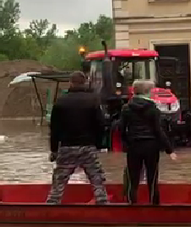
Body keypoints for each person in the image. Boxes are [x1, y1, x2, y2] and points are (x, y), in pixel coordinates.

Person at [47, 71, 109, 204]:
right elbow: (101, 124)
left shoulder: (60, 101)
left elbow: (54, 129)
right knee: (96, 177)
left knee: (59, 180)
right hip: (88, 146)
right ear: (85, 82)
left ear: (70, 83)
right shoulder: (93, 100)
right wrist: (98, 144)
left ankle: (51, 206)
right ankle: (103, 204)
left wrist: (54, 150)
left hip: (66, 147)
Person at [119, 80, 177, 205]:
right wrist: (169, 150)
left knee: (133, 178)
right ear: (147, 92)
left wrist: (126, 144)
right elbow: (158, 130)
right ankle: (154, 205)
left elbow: (121, 129)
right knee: (152, 177)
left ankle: (131, 204)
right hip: (151, 146)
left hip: (134, 145)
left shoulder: (126, 108)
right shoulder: (153, 109)